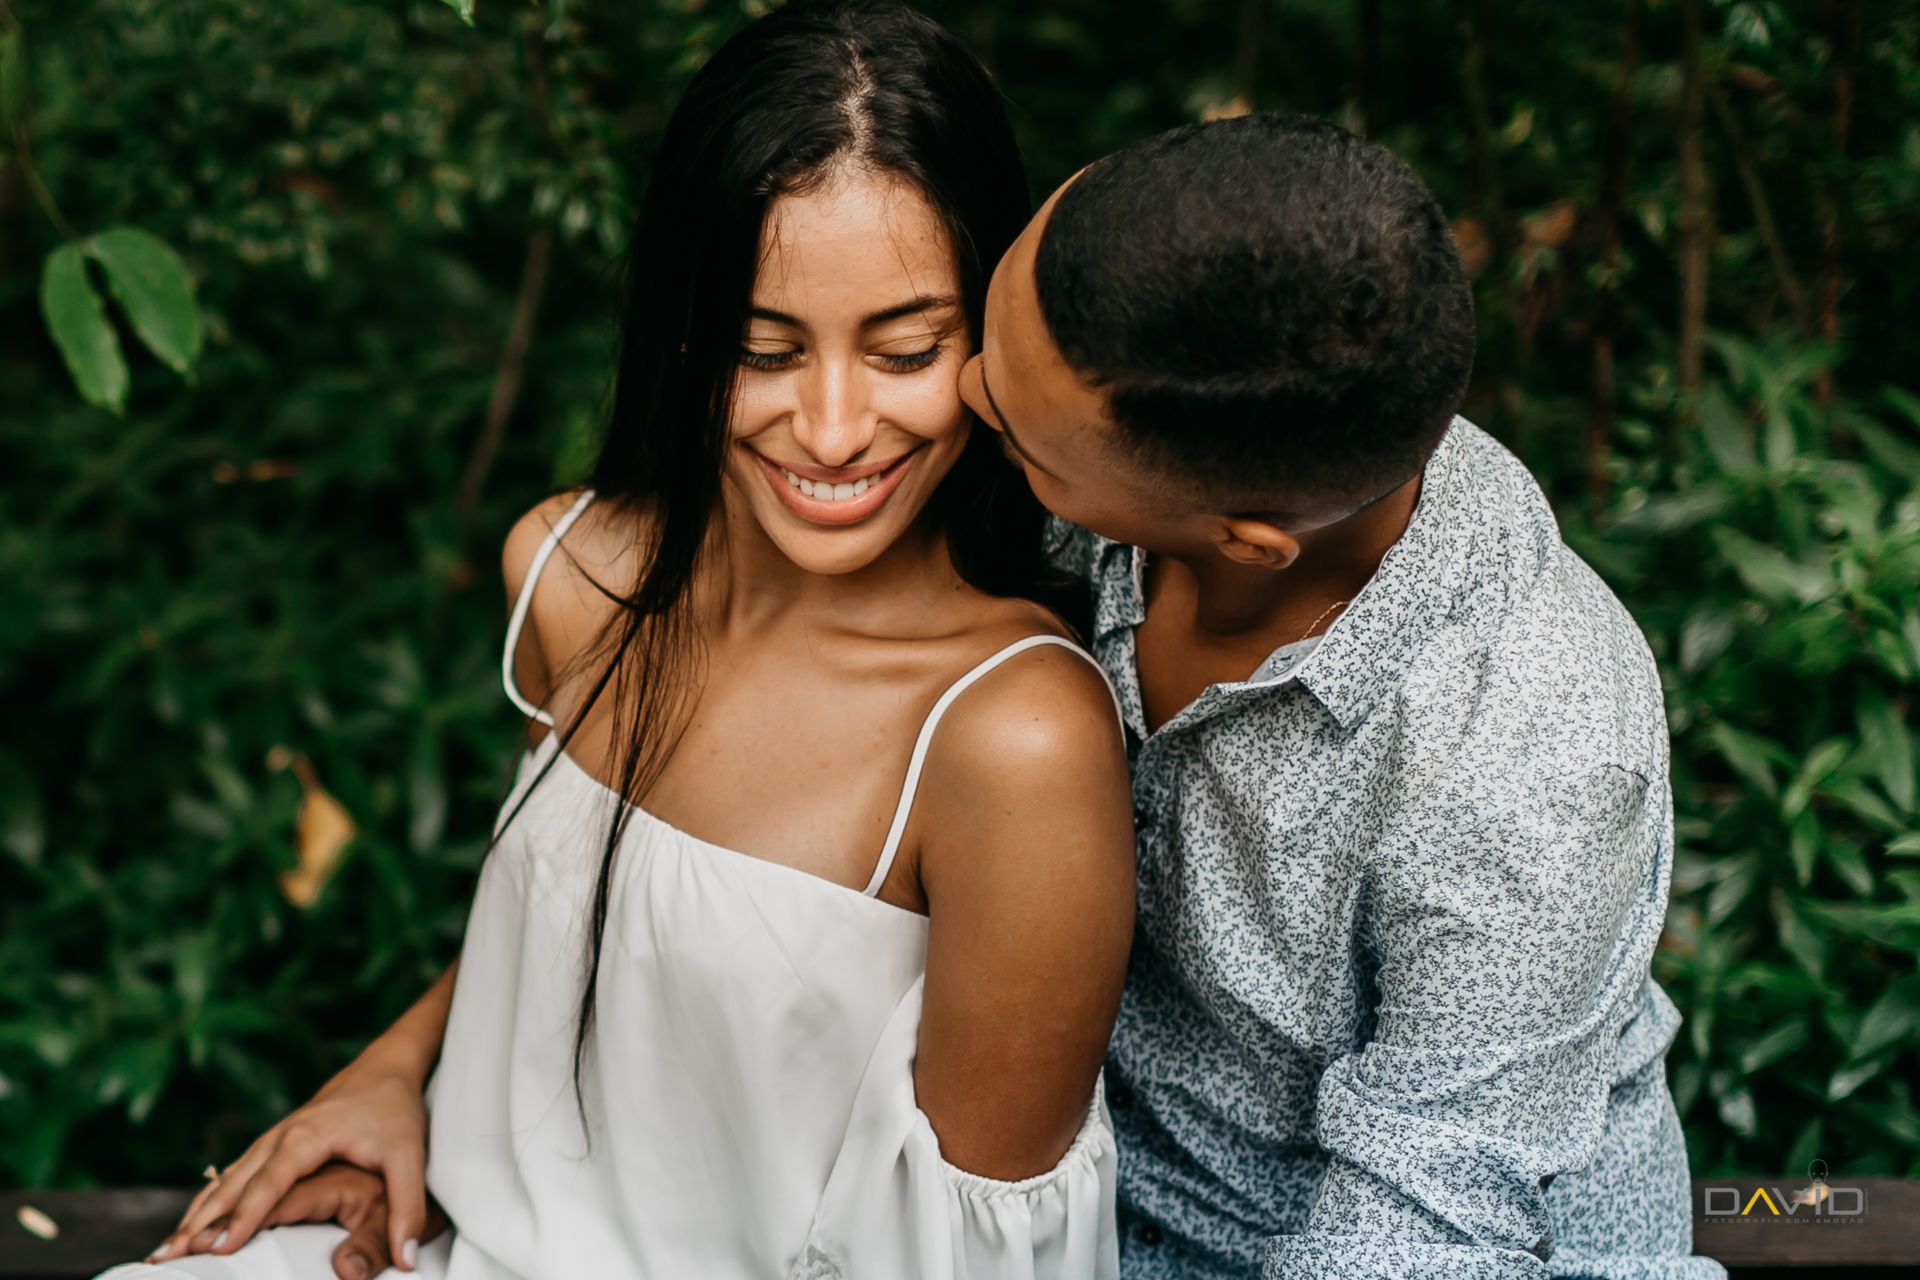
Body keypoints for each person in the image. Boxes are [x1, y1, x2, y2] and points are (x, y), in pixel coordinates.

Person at [115, 3, 1134, 1278]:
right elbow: (609, 930)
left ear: (990, 345)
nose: (830, 427)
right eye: (764, 349)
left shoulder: (1010, 737)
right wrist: (394, 1066)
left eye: (906, 349)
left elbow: (986, 1254)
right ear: (682, 329)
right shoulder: (571, 572)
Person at [952, 116, 1726, 1279]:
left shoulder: (1538, 750)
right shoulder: (1154, 430)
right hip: (1092, 1201)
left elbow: (1420, 1222)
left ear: (1249, 542)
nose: (960, 390)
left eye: (1016, 434)